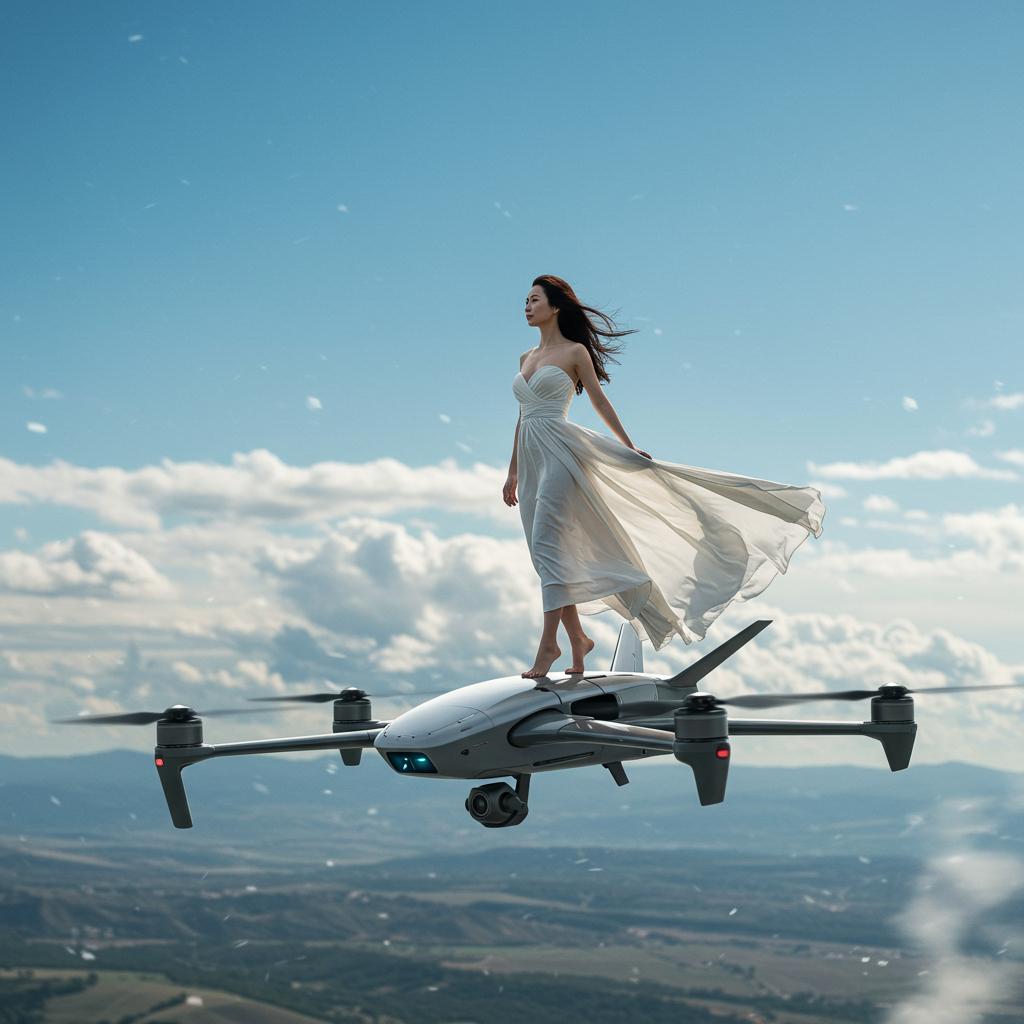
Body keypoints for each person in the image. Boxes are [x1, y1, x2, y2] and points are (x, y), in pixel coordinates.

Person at [502, 275, 825, 679]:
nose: (526, 306)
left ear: (556, 307)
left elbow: (600, 400)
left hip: (564, 454)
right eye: (525, 301)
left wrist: (628, 445)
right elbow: (522, 418)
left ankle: (548, 646)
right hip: (532, 461)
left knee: (550, 548)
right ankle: (579, 643)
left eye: (534, 300)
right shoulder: (524, 359)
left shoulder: (574, 351)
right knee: (549, 555)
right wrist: (513, 470)